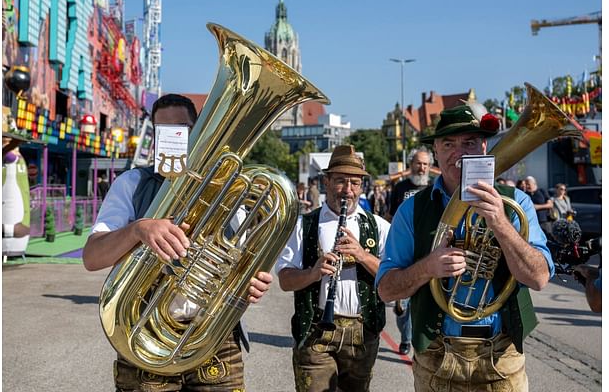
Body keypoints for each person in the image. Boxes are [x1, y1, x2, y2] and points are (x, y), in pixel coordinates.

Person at [82, 93, 273, 392]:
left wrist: (250, 282)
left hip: (214, 339)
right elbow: (92, 257)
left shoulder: (231, 189)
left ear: (198, 131)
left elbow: (241, 264)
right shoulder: (133, 183)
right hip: (144, 337)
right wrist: (138, 230)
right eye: (164, 131)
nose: (174, 137)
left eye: (183, 129)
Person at [375, 105, 553, 391]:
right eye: (448, 144)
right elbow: (386, 290)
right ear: (435, 150)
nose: (459, 152)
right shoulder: (412, 210)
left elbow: (539, 278)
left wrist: (501, 224)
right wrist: (428, 267)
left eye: (469, 142)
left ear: (484, 146)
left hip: (502, 356)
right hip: (436, 357)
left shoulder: (516, 202)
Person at [275, 144, 391, 392]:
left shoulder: (380, 226)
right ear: (326, 181)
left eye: (354, 183)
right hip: (316, 330)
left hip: (363, 332)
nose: (347, 190)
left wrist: (361, 255)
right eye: (340, 181)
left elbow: (394, 279)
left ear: (362, 186)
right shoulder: (303, 225)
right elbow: (285, 280)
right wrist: (313, 273)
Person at [386, 147, 434, 355]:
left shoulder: (434, 187)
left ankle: (417, 341)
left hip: (429, 251)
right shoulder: (400, 188)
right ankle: (405, 336)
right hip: (405, 251)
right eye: (418, 163)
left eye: (425, 164)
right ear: (410, 165)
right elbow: (390, 215)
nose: (421, 167)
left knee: (424, 301)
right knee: (402, 303)